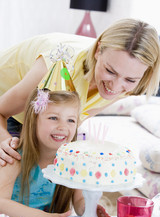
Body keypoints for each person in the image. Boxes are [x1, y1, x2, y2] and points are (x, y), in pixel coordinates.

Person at [0, 18, 160, 165]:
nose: (116, 87)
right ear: (98, 51)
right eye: (110, 71)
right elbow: (2, 112)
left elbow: (79, 117)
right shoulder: (57, 67)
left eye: (130, 80)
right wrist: (6, 144)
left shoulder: (132, 82)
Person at [0, 89, 110, 217]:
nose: (62, 127)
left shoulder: (73, 162)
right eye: (53, 118)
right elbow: (1, 202)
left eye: (71, 120)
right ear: (34, 121)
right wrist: (38, 216)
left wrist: (89, 209)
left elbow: (78, 201)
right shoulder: (14, 156)